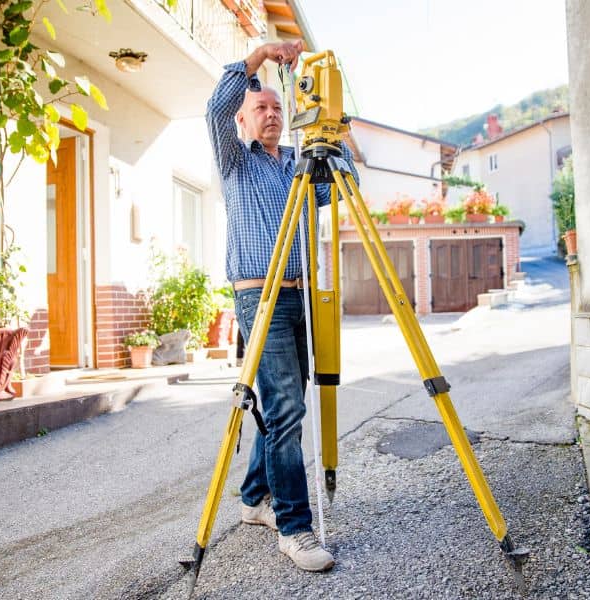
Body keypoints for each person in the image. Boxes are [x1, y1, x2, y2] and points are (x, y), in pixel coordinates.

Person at [206, 40, 357, 573]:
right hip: (258, 295)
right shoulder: (234, 162)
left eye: (277, 107)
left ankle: (253, 501)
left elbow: (346, 189)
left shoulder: (299, 165)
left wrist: (334, 131)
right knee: (288, 407)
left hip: (300, 294)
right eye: (260, 108)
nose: (270, 114)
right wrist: (263, 53)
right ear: (245, 120)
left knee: (281, 403)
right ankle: (295, 527)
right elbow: (215, 107)